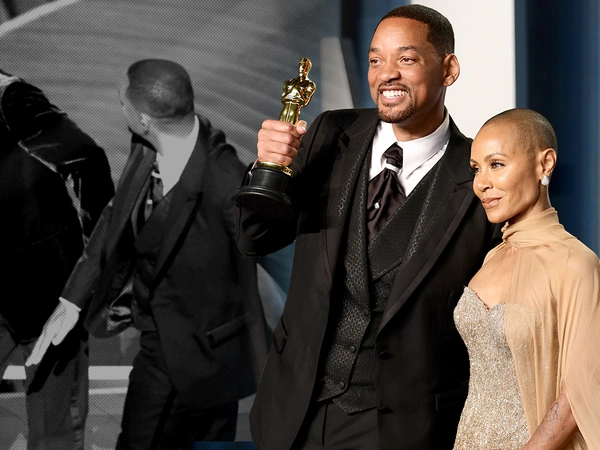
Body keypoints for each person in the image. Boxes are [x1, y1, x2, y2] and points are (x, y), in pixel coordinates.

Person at [235, 4, 502, 449]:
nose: (387, 74)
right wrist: (267, 166)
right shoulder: (329, 132)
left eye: (406, 58)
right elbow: (255, 238)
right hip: (294, 410)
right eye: (376, 59)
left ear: (449, 69)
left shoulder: (480, 175)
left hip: (400, 425)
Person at [27, 59, 263, 449]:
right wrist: (72, 300)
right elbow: (116, 215)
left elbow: (275, 253)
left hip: (206, 353)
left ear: (143, 119)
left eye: (122, 103)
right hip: (159, 339)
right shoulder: (146, 145)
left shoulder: (228, 184)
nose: (120, 108)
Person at [453, 108, 600, 449]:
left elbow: (578, 393)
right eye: (476, 169)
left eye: (496, 164)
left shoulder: (576, 263)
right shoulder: (492, 256)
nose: (481, 183)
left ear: (545, 164)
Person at [0, 70, 114, 449]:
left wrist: (96, 254)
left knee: (54, 425)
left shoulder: (11, 99)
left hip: (43, 284)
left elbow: (88, 161)